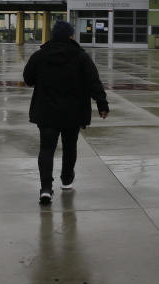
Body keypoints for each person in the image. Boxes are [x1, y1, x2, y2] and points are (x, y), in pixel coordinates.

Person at [23, 20, 109, 205]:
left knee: (46, 149)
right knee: (70, 147)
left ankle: (46, 189)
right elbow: (94, 82)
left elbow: (27, 78)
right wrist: (102, 104)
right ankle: (67, 179)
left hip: (46, 112)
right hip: (73, 113)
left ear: (53, 35)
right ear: (70, 36)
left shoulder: (40, 55)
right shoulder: (81, 56)